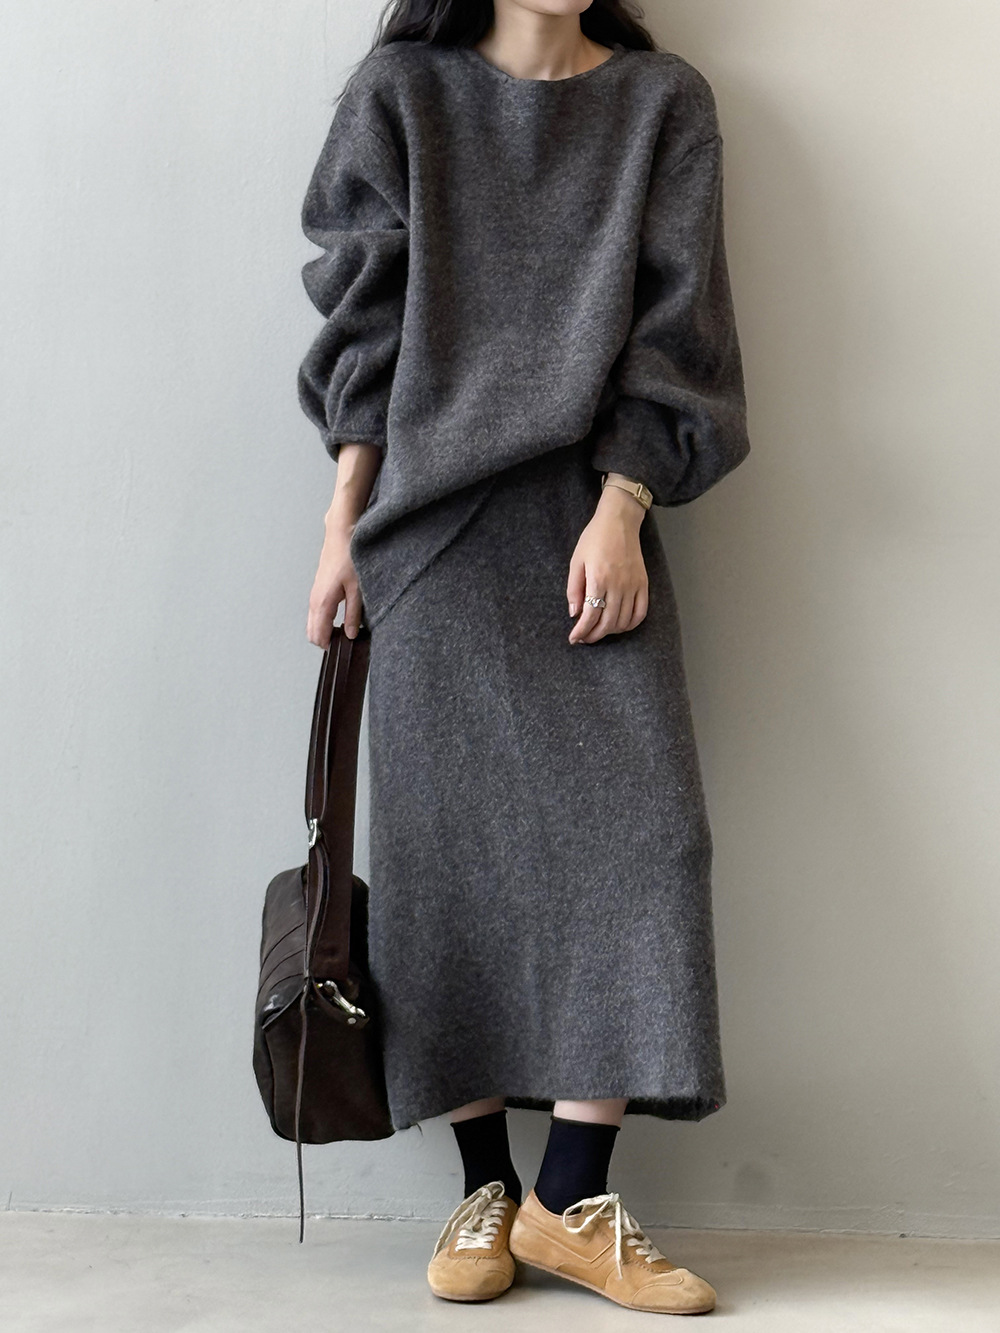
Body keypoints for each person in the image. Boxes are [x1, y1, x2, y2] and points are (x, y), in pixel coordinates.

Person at [297, 0, 750, 1315]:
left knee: (644, 842)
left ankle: (572, 1198)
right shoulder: (401, 95)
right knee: (450, 859)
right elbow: (365, 329)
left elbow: (680, 329)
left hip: (588, 529)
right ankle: (485, 1186)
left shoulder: (662, 107)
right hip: (429, 538)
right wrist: (341, 529)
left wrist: (624, 507)